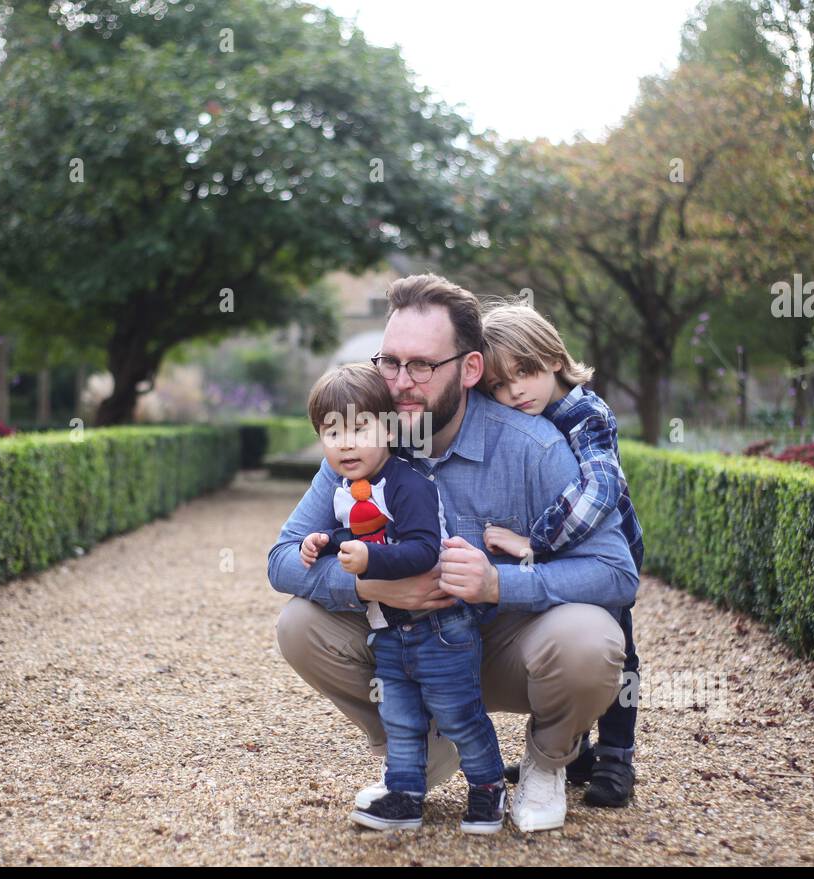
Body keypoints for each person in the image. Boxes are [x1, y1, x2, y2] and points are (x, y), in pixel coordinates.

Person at [268, 273, 637, 832]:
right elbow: (281, 559)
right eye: (389, 362)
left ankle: (546, 759)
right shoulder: (360, 443)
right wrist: (369, 586)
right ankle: (422, 746)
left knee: (592, 639)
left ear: (468, 370)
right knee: (298, 624)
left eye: (421, 365)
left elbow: (616, 573)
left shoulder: (535, 447)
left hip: (515, 645)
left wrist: (498, 583)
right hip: (410, 649)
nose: (399, 382)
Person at [298, 363, 507, 833]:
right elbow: (352, 531)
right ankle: (405, 794)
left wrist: (366, 563)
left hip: (441, 630)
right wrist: (324, 543)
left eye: (358, 428)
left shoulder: (408, 483)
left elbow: (420, 550)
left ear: (389, 427)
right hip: (389, 632)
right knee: (400, 718)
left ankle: (488, 787)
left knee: (458, 713)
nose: (345, 443)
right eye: (331, 433)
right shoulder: (345, 489)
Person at [475, 297, 645, 807]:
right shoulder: (531, 416)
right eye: (499, 385)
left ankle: (617, 760)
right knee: (558, 638)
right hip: (557, 555)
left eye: (523, 372)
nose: (514, 391)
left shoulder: (585, 414)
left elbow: (600, 488)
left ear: (552, 357)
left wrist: (537, 541)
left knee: (617, 651)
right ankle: (573, 751)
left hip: (600, 553)